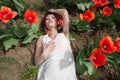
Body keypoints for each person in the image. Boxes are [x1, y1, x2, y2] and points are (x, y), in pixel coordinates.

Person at [34, 8, 77, 80]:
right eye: (47, 19)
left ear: (57, 22)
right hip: (48, 76)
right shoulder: (42, 38)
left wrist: (53, 11)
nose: (50, 19)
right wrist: (45, 53)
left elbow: (64, 12)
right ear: (45, 24)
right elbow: (36, 62)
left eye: (53, 17)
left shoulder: (64, 35)